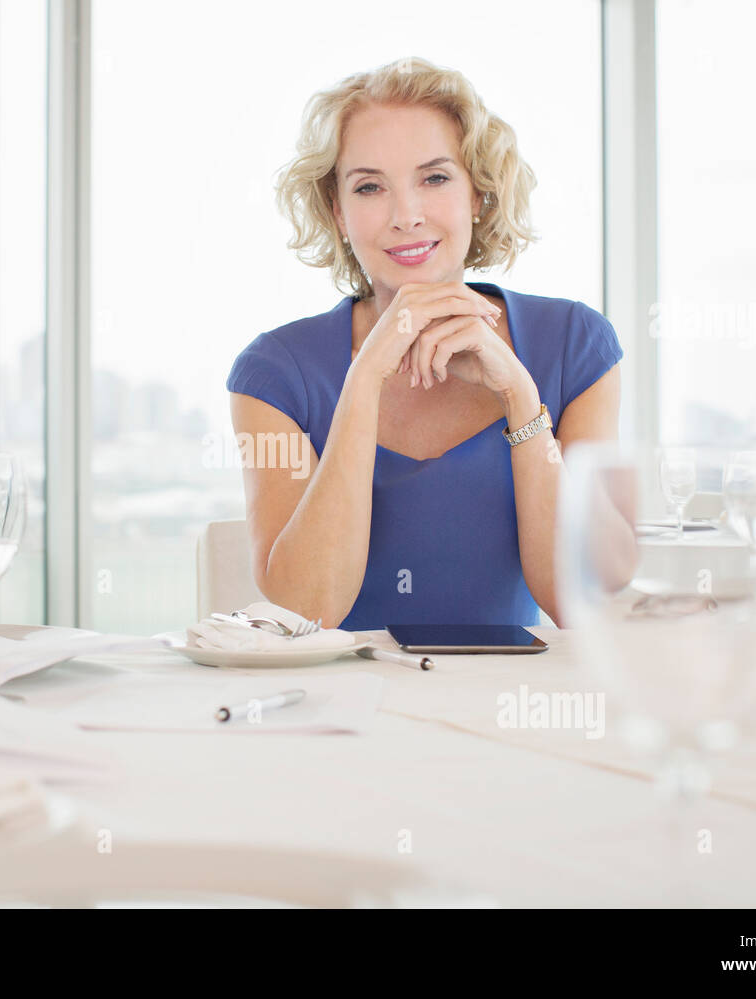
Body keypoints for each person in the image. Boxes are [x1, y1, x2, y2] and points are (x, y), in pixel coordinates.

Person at [226, 57, 631, 630]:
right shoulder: (274, 372)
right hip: (343, 707)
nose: (406, 216)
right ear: (338, 212)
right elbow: (304, 611)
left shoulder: (574, 344)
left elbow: (584, 600)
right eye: (370, 187)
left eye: (435, 178)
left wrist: (519, 394)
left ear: (477, 194)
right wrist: (364, 379)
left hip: (506, 704)